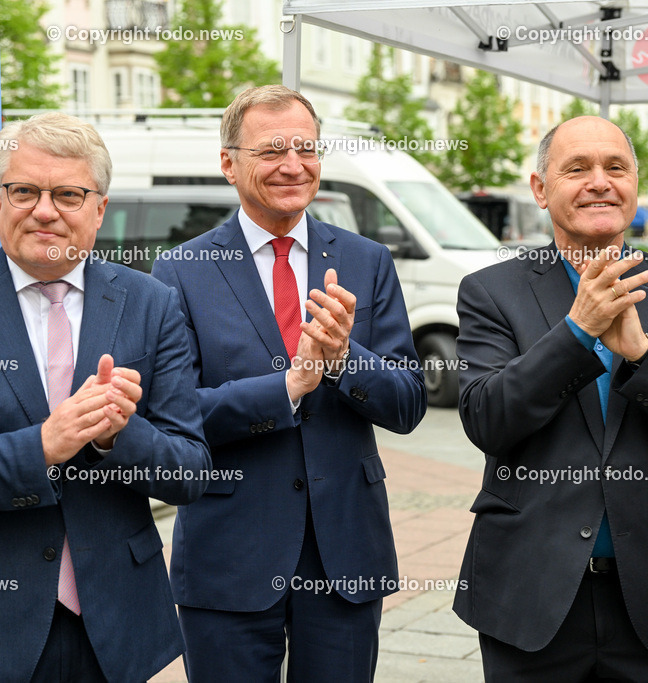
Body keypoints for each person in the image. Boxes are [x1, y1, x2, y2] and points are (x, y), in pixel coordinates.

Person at [0, 112, 211, 682]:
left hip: (117, 624)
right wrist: (40, 447)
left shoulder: (153, 305)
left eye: (68, 194)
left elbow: (191, 473)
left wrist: (117, 435)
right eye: (24, 191)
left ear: (99, 209)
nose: (44, 210)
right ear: (0, 199)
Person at [452, 116, 648, 682]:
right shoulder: (491, 292)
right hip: (532, 598)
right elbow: (486, 419)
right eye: (577, 169)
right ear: (540, 188)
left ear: (634, 185)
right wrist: (576, 333)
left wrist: (646, 354)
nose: (600, 181)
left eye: (616, 167)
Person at [152, 85, 427, 682]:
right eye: (272, 150)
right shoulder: (180, 270)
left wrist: (344, 358)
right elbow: (174, 415)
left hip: (344, 552)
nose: (294, 165)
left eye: (306, 148)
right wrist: (290, 386)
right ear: (229, 163)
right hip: (229, 554)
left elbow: (408, 404)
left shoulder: (367, 260)